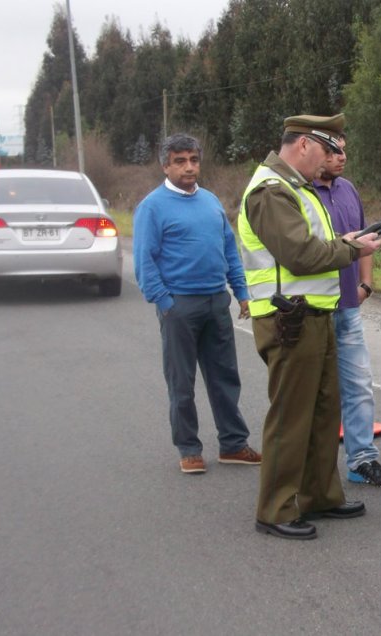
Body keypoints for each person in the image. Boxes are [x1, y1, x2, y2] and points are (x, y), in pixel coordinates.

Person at [238, 115, 381, 540]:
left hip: (316, 315)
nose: (329, 162)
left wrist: (348, 241)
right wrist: (350, 248)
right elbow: (300, 254)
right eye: (325, 152)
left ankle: (320, 495)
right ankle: (276, 508)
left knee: (324, 412)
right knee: (291, 416)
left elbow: (317, 244)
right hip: (290, 318)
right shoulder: (270, 190)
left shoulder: (296, 189)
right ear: (303, 144)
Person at [133, 133, 261, 475]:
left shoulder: (210, 201)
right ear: (165, 165)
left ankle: (233, 444)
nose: (188, 167)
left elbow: (229, 249)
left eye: (193, 160)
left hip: (216, 302)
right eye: (180, 161)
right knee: (181, 382)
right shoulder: (152, 206)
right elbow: (144, 262)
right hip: (179, 306)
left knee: (225, 377)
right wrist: (165, 301)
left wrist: (241, 291)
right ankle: (189, 449)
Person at [310, 123, 381, 488]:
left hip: (348, 305)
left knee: (359, 383)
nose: (341, 156)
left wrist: (366, 284)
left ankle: (362, 460)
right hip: (314, 307)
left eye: (344, 150)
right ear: (314, 152)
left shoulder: (348, 190)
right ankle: (312, 467)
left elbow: (365, 240)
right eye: (332, 151)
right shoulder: (300, 194)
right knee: (315, 391)